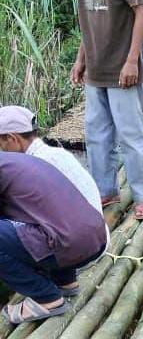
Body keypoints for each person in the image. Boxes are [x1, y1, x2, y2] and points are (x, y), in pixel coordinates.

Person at [55, 0, 143, 220]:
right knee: (96, 135)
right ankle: (106, 189)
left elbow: (141, 12)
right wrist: (80, 59)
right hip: (95, 68)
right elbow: (86, 18)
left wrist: (132, 60)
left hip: (121, 67)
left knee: (130, 134)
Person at [0, 111, 107, 323]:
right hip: (95, 240)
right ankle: (66, 282)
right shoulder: (31, 160)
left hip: (71, 244)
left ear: (12, 138)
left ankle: (47, 299)